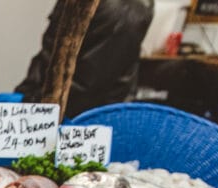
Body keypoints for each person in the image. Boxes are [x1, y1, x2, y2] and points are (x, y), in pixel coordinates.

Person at [15, 0, 155, 119]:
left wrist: (30, 109)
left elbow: (87, 87)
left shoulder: (124, 9)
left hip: (83, 122)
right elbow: (48, 56)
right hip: (48, 109)